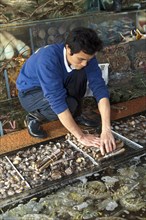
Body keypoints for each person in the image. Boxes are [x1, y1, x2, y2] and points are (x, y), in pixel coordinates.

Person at [16, 27, 116, 155]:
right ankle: (35, 116)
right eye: (81, 59)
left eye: (88, 59)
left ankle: (75, 114)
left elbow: (100, 88)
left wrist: (106, 129)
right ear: (68, 49)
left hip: (58, 83)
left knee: (81, 73)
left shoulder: (86, 56)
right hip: (31, 92)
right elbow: (57, 101)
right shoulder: (48, 60)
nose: (85, 63)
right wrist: (81, 137)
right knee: (68, 104)